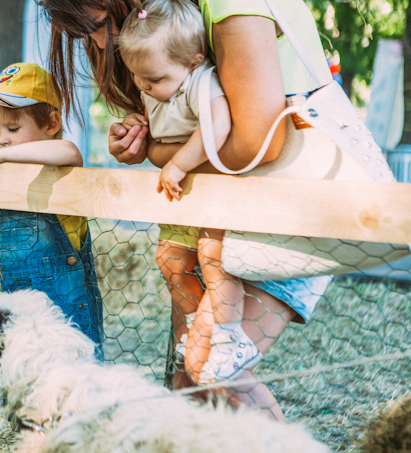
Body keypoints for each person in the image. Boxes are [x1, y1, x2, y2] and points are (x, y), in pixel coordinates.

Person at [38, 0, 333, 420]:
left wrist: (162, 152)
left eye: (101, 24)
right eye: (87, 35)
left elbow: (257, 142)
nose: (102, 45)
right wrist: (149, 139)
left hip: (284, 213)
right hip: (219, 218)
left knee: (207, 372)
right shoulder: (177, 30)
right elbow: (202, 138)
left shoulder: (231, 6)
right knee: (189, 387)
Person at [118, 0, 257, 386]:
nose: (144, 87)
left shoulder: (202, 81)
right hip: (185, 199)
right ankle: (199, 323)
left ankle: (229, 336)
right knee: (170, 259)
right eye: (137, 78)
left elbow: (218, 124)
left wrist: (176, 164)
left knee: (213, 257)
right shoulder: (160, 84)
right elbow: (159, 122)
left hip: (215, 190)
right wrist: (137, 124)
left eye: (153, 79)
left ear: (194, 60)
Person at [0, 62, 104, 360]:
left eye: (13, 128)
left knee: (74, 379)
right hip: (21, 317)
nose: (2, 139)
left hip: (66, 321)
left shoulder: (59, 161)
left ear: (51, 124)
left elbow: (69, 152)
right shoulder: (3, 177)